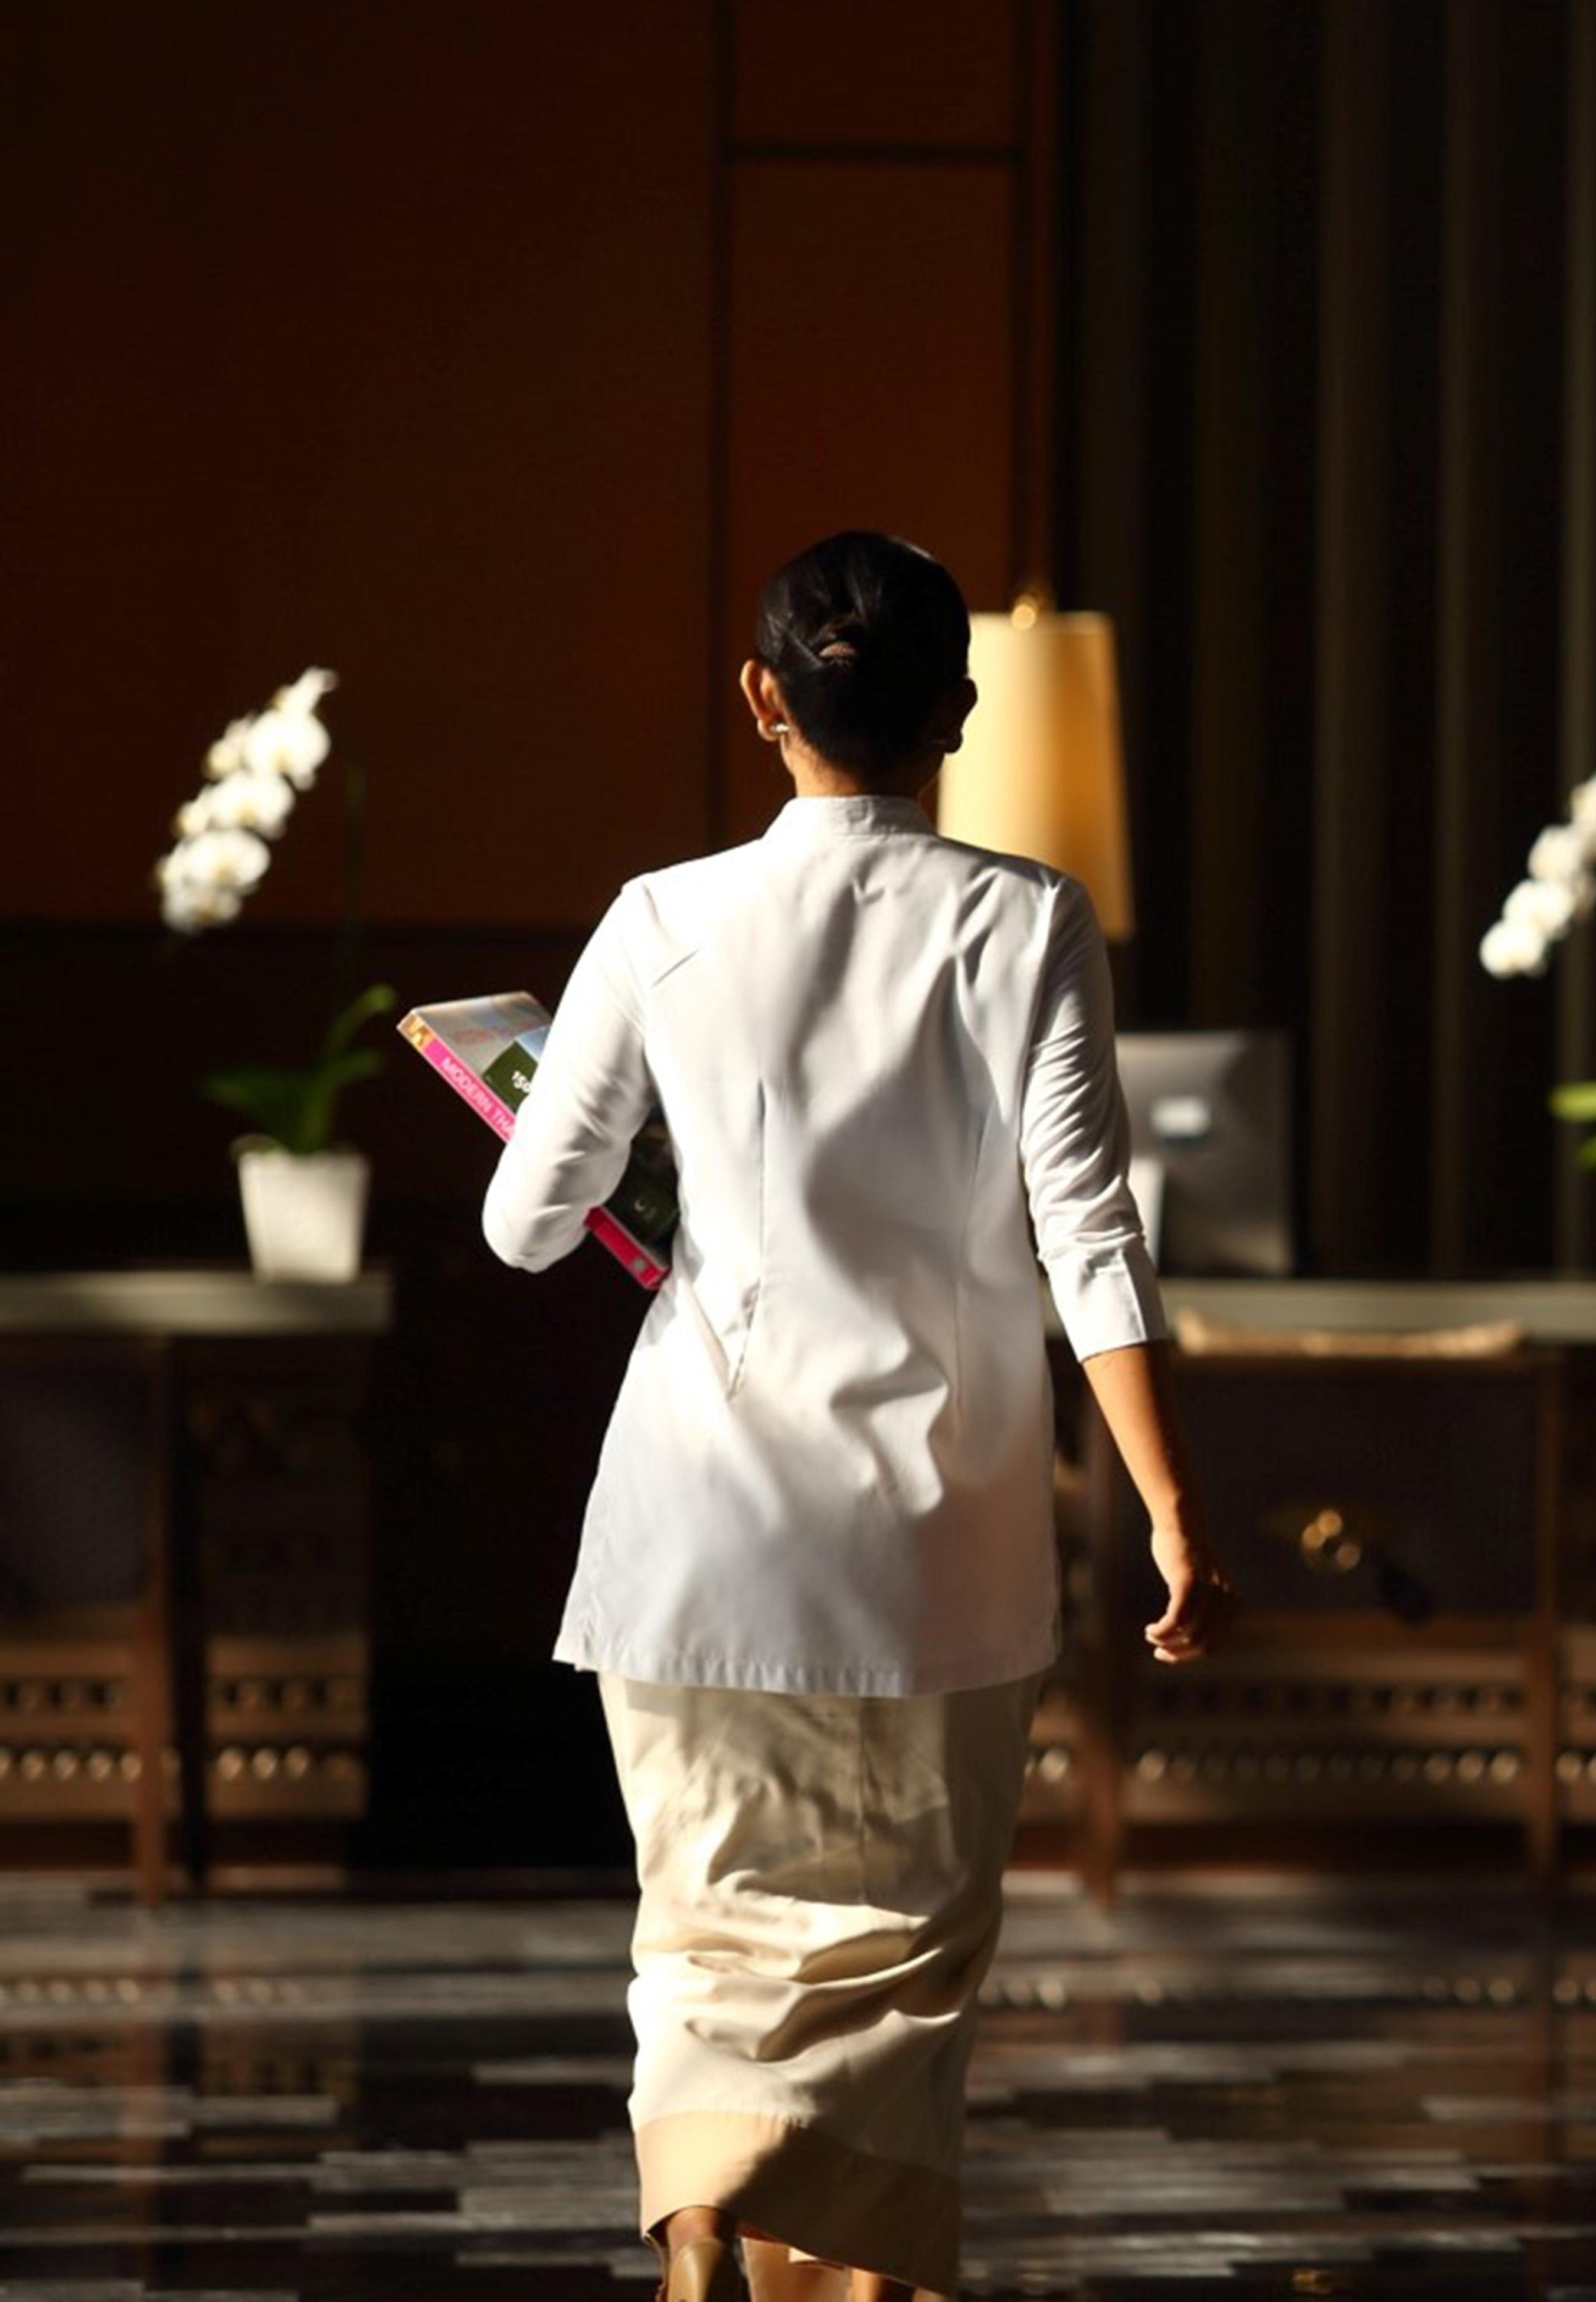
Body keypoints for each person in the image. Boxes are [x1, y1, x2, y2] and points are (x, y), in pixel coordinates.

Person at [483, 530, 1237, 2302]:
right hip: (937, 1542)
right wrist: (1171, 1506)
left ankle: (702, 2241)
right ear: (956, 713)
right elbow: (1090, 1239)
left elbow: (529, 1227)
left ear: (762, 701)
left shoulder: (661, 918)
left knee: (706, 1944)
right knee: (902, 1965)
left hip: (694, 1530)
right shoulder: (1026, 920)